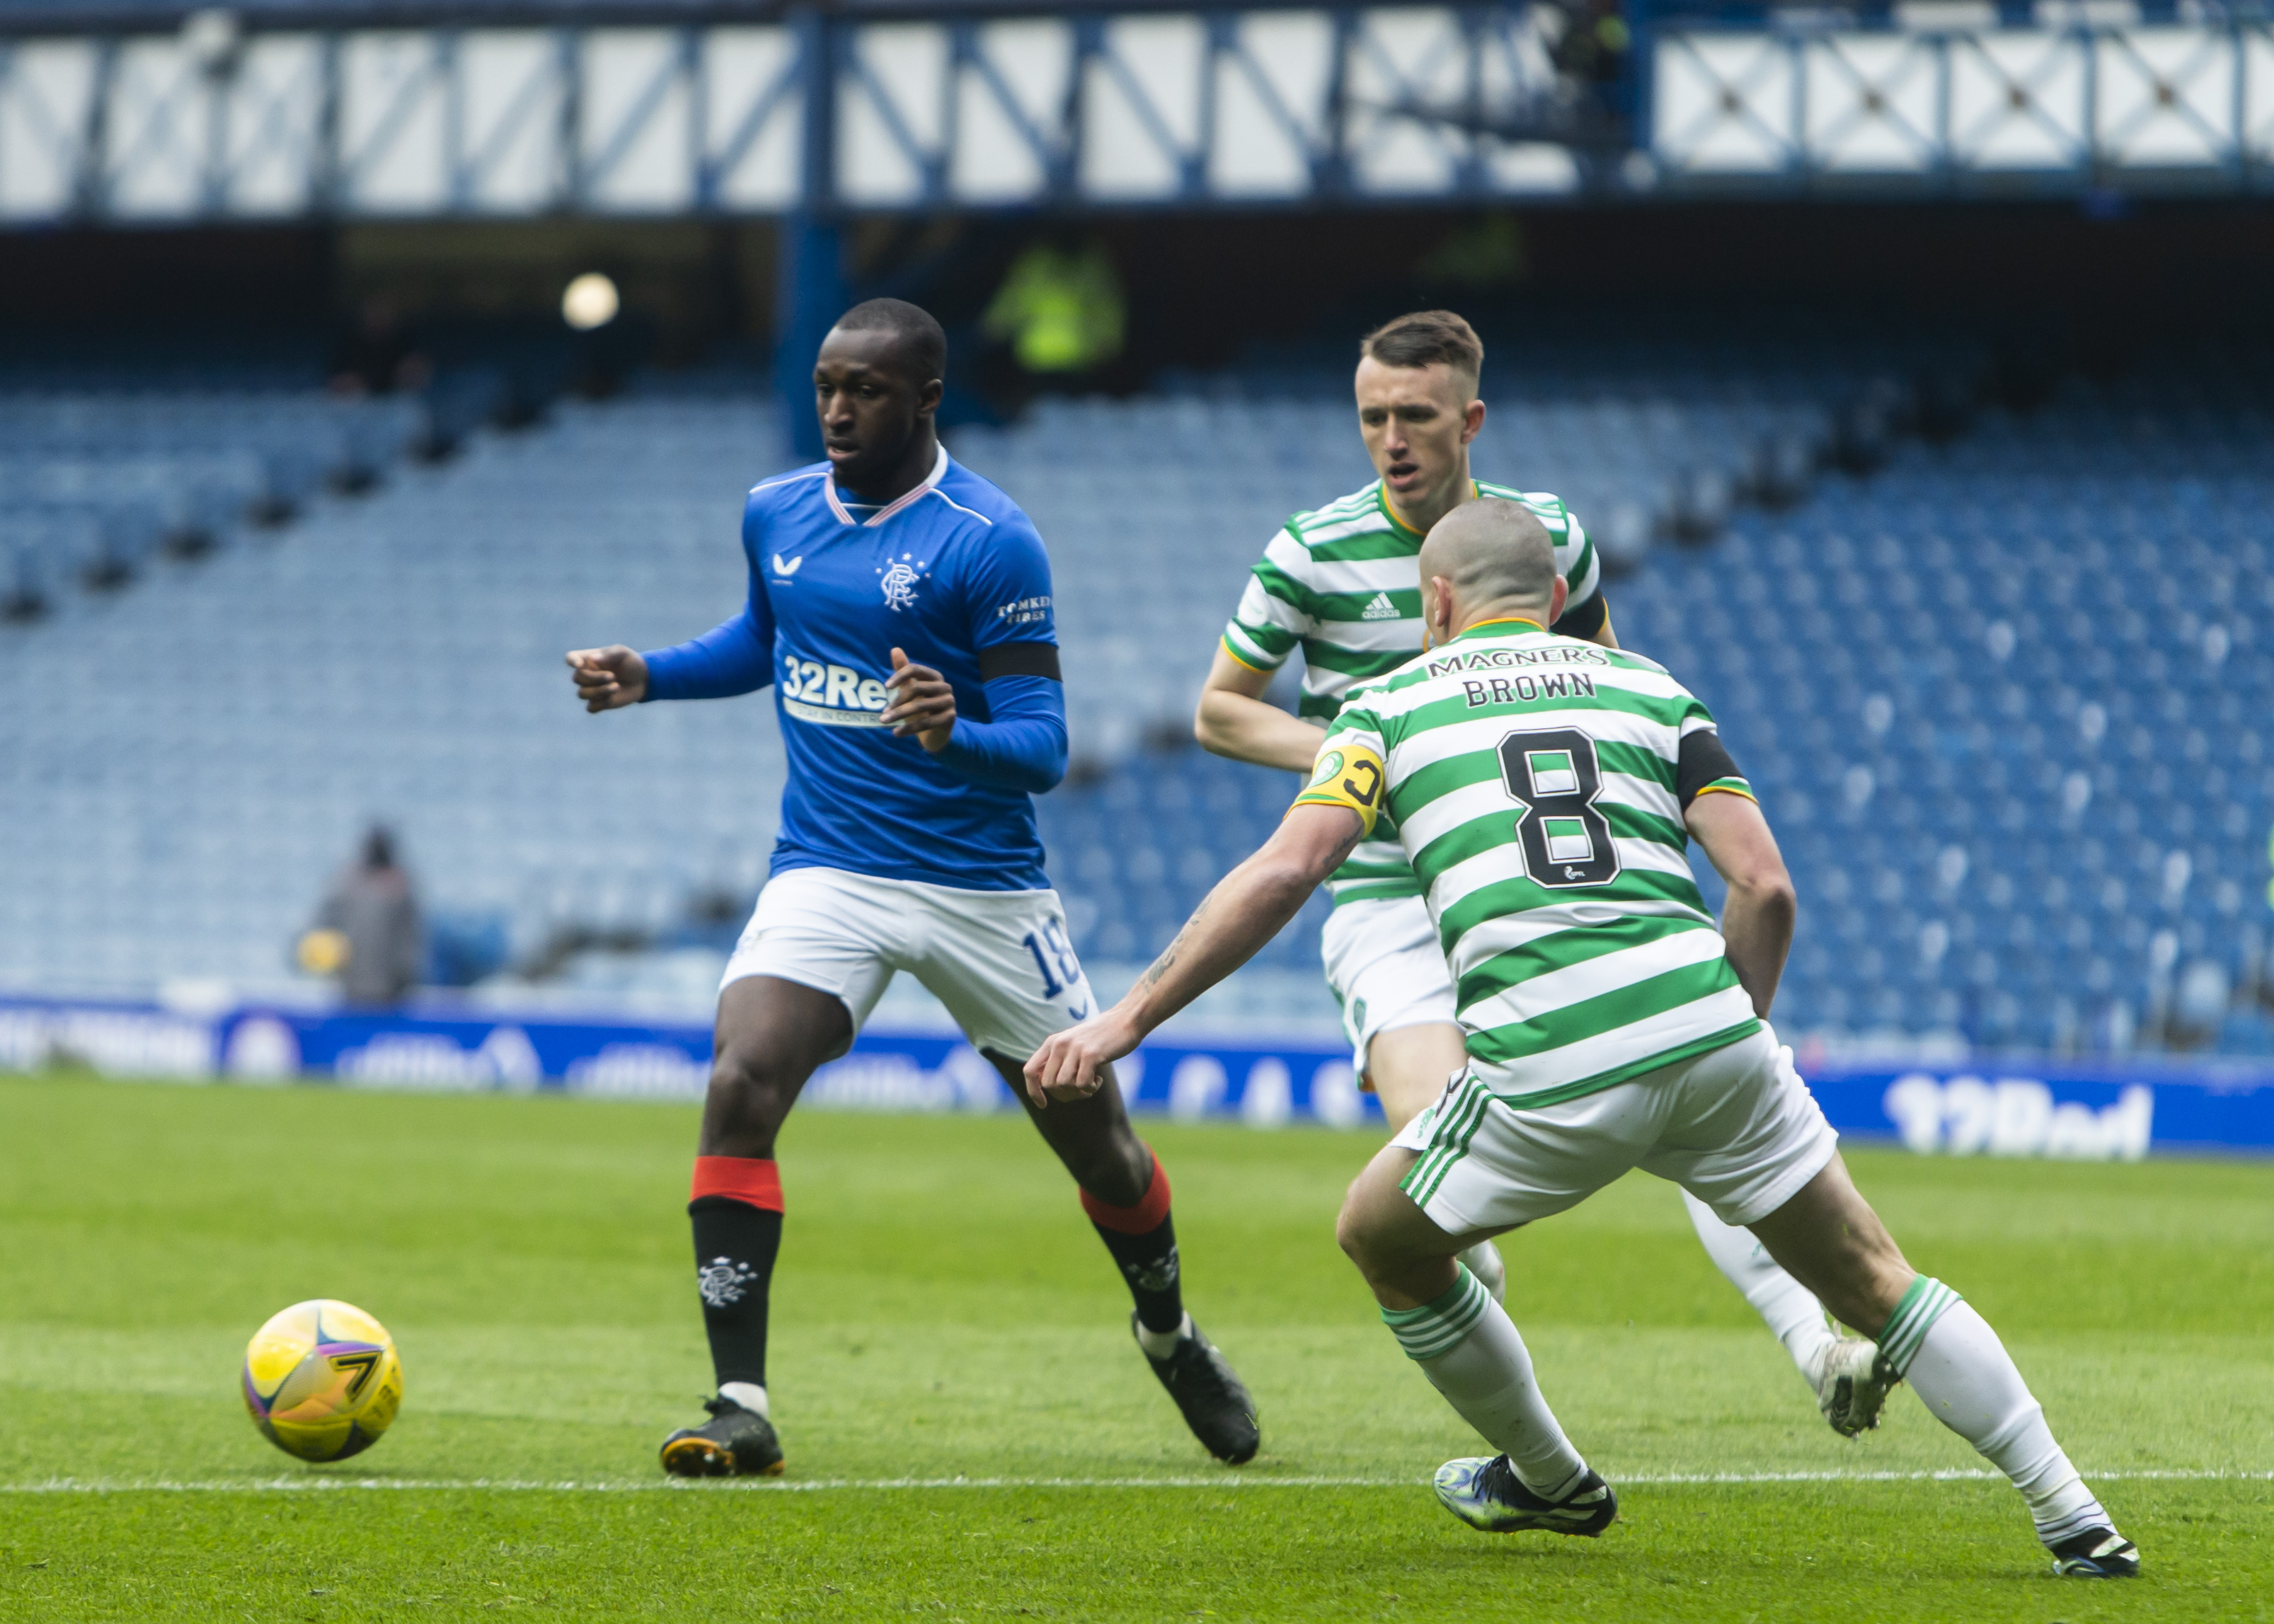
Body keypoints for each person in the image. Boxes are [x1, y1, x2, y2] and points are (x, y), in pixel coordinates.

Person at [1030, 500, 2139, 1579]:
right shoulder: (1651, 686)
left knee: (1382, 1233)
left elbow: (1287, 870)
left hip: (1545, 1067)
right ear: (1558, 596)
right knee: (1880, 1280)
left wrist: (1125, 1018)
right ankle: (2073, 1512)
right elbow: (1764, 884)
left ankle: (1550, 1475)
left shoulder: (1389, 705)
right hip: (1711, 1032)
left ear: (1436, 602)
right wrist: (1733, 1036)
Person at [563, 298, 1258, 1479]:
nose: (837, 407)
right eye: (828, 383)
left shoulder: (987, 541)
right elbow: (761, 639)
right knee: (740, 1078)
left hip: (983, 891)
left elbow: (1041, 744)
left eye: (867, 390)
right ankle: (739, 1403)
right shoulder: (775, 509)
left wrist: (954, 734)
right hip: (826, 868)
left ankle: (1169, 1332)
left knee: (1103, 1155)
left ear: (927, 397)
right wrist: (653, 677)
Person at [1192, 309, 1888, 1434]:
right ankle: (1531, 1442)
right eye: (1371, 416)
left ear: (1469, 419)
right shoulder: (1308, 551)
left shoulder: (1545, 536)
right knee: (1438, 1167)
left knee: (1711, 1112)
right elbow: (1220, 709)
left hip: (1539, 873)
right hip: (1388, 894)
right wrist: (1355, 758)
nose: (1390, 439)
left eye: (1414, 416)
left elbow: (1604, 673)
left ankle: (1821, 1342)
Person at [311, 824, 423, 1007]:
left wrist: (406, 973)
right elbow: (326, 922)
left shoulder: (400, 886)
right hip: (351, 985)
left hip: (390, 990)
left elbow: (410, 937)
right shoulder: (347, 882)